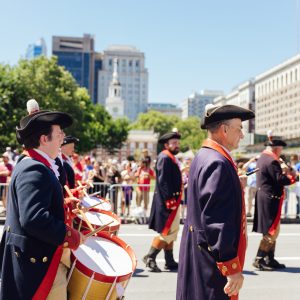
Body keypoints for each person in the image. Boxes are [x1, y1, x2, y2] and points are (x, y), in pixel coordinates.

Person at [0, 110, 85, 300]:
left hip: (38, 257)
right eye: (59, 133)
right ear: (44, 139)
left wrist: (62, 203)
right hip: (37, 263)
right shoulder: (34, 169)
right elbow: (33, 218)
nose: (63, 137)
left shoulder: (37, 165)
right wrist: (69, 234)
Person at [177, 104, 255, 300]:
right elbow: (216, 219)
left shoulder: (204, 155)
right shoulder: (217, 163)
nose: (242, 134)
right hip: (211, 261)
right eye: (239, 128)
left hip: (200, 251)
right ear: (224, 129)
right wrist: (231, 267)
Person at [252, 138, 295, 271]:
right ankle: (259, 259)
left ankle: (269, 258)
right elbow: (280, 179)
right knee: (271, 231)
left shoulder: (264, 158)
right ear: (276, 149)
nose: (280, 152)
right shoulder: (272, 161)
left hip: (267, 196)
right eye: (280, 149)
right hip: (270, 198)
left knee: (273, 230)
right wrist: (294, 177)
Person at [143, 130, 182, 272]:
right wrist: (169, 200)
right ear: (166, 145)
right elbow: (164, 181)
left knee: (172, 231)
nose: (177, 145)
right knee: (167, 232)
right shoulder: (165, 157)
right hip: (168, 201)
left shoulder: (170, 157)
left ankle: (169, 260)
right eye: (174, 143)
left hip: (172, 200)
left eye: (178, 143)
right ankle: (150, 256)